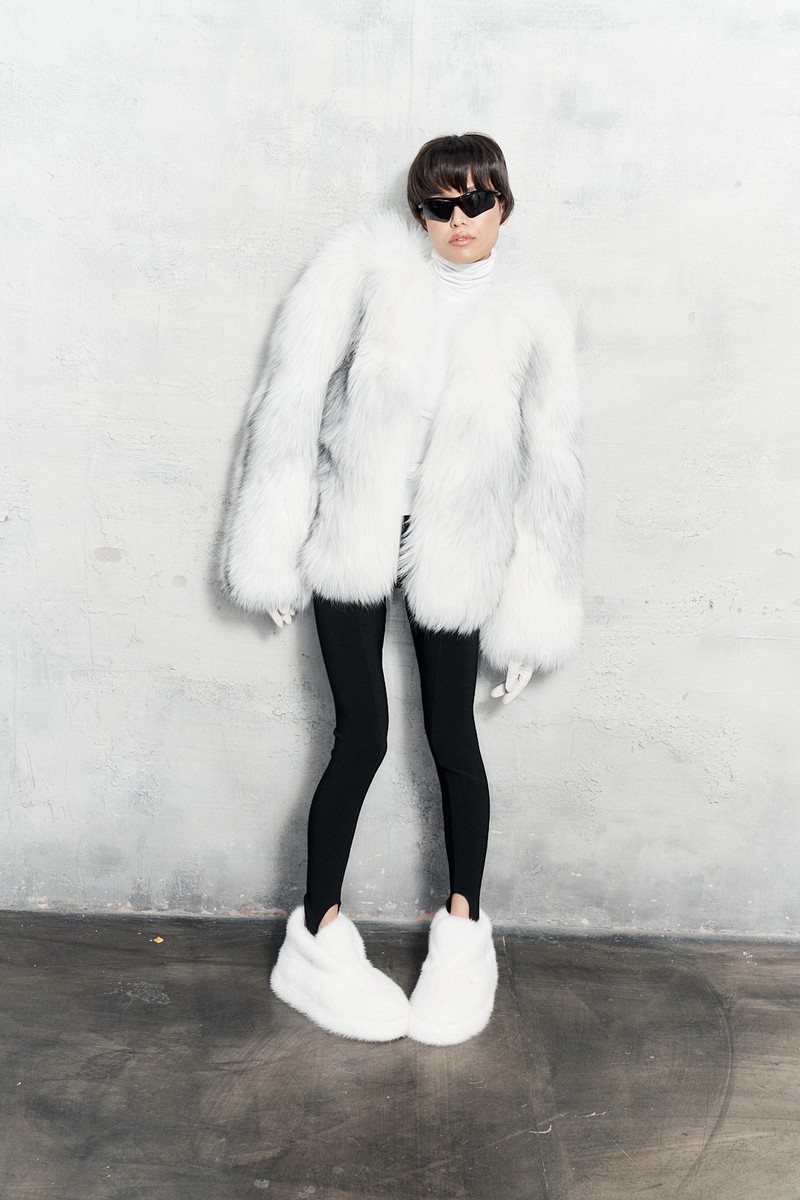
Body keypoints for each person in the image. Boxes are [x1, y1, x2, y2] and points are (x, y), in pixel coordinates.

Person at [218, 133, 583, 1045]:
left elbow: (552, 469)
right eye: (439, 205)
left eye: (476, 202)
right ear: (418, 212)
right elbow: (289, 398)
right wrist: (270, 547)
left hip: (457, 545)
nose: (459, 221)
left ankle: (463, 938)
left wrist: (532, 615)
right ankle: (316, 939)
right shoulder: (364, 273)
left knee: (452, 737)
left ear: (504, 205)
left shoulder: (532, 316)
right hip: (355, 528)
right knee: (362, 735)